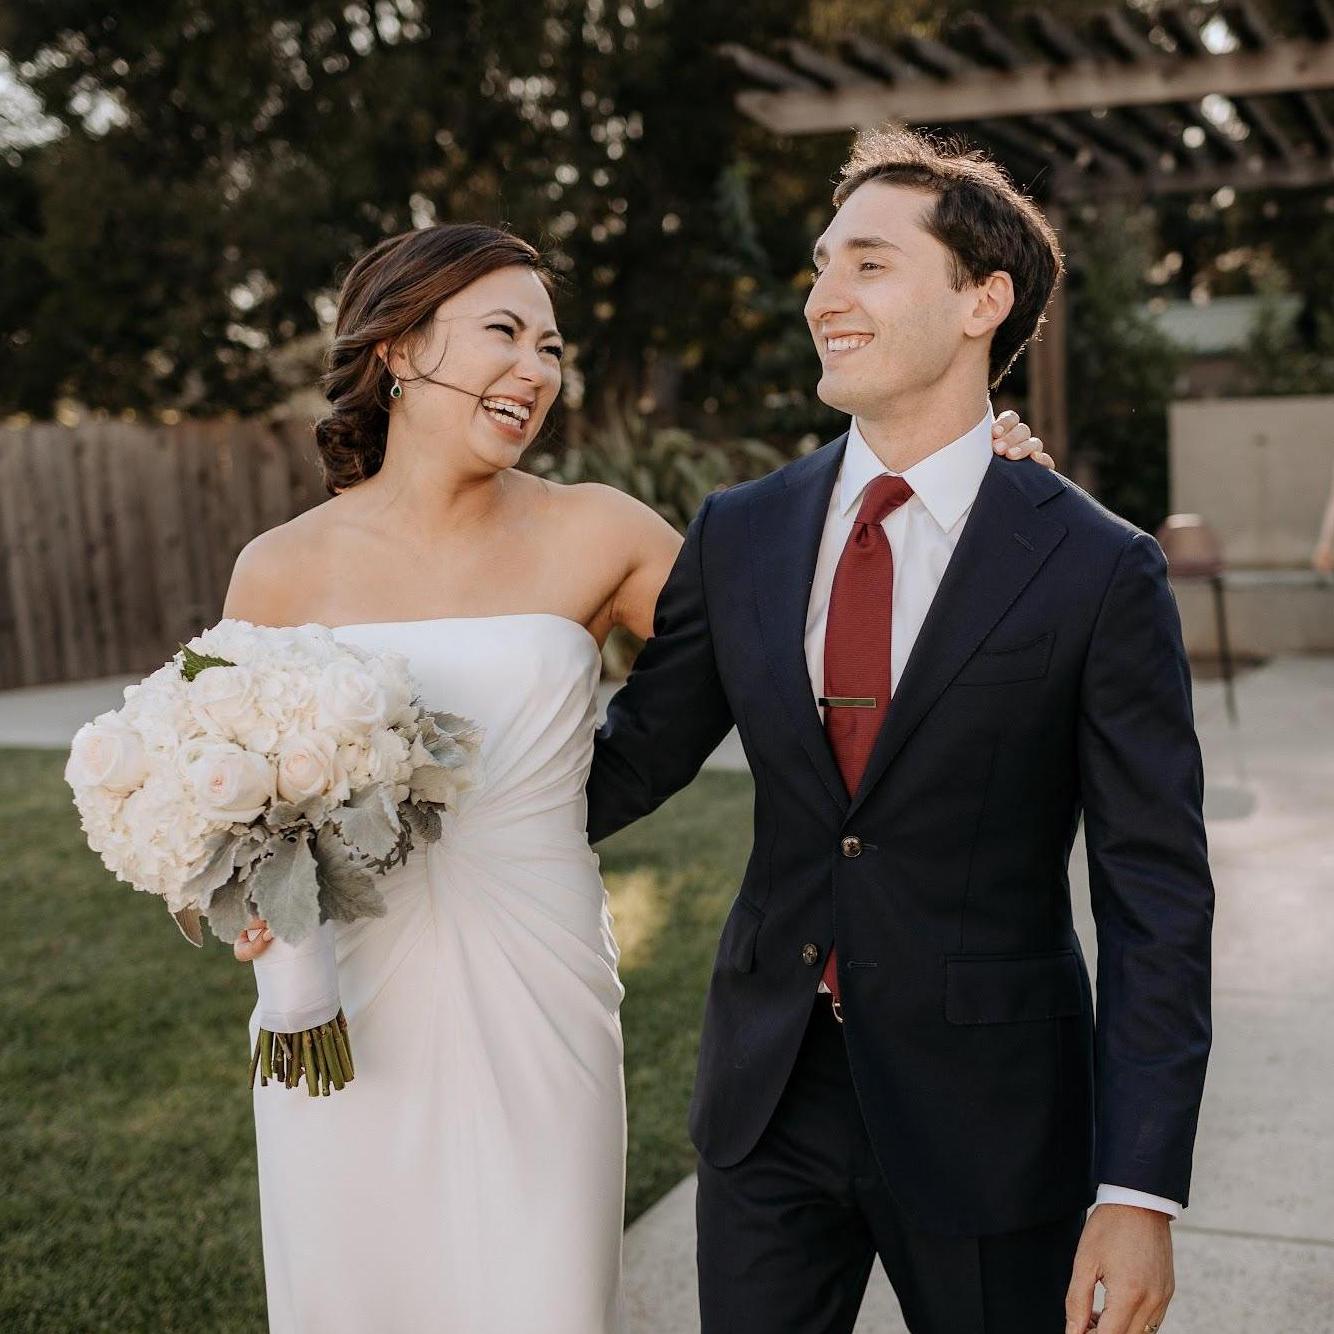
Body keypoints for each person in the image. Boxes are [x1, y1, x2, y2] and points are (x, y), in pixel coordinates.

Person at [227, 220, 1050, 1332]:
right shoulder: (278, 569)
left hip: (537, 981)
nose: (536, 370)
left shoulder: (599, 531)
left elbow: (815, 629)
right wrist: (241, 897)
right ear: (400, 348)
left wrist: (973, 507)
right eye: (504, 333)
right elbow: (228, 790)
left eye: (551, 348)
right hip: (344, 992)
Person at [586, 126, 1214, 1334]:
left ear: (982, 300)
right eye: (821, 264)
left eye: (867, 263)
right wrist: (386, 812)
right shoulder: (738, 530)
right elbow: (626, 764)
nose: (823, 296)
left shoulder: (1096, 567)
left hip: (992, 1120)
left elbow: (1155, 894)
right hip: (767, 1097)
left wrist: (1137, 1185)